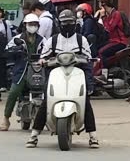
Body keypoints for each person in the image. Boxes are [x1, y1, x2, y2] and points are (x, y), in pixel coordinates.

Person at [27, 9, 99, 148]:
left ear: (75, 23)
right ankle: (34, 135)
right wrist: (42, 61)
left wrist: (88, 68)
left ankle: (93, 136)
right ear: (59, 24)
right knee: (46, 102)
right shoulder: (52, 40)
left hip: (77, 75)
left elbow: (88, 58)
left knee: (85, 101)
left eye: (70, 22)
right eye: (64, 23)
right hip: (57, 75)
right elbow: (44, 56)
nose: (67, 25)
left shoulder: (81, 39)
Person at [1, 14, 44, 130]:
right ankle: (6, 118)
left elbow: (48, 53)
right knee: (14, 92)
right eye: (30, 24)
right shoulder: (18, 39)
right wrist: (16, 51)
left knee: (49, 92)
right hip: (22, 71)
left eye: (35, 24)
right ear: (25, 25)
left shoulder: (42, 40)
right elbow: (6, 52)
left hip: (38, 71)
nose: (32, 27)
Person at [96, 0, 129, 69]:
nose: (99, 4)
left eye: (100, 2)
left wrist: (103, 17)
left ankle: (104, 70)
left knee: (101, 52)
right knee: (96, 48)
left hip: (119, 41)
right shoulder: (108, 14)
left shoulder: (116, 14)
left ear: (104, 3)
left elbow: (109, 28)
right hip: (112, 40)